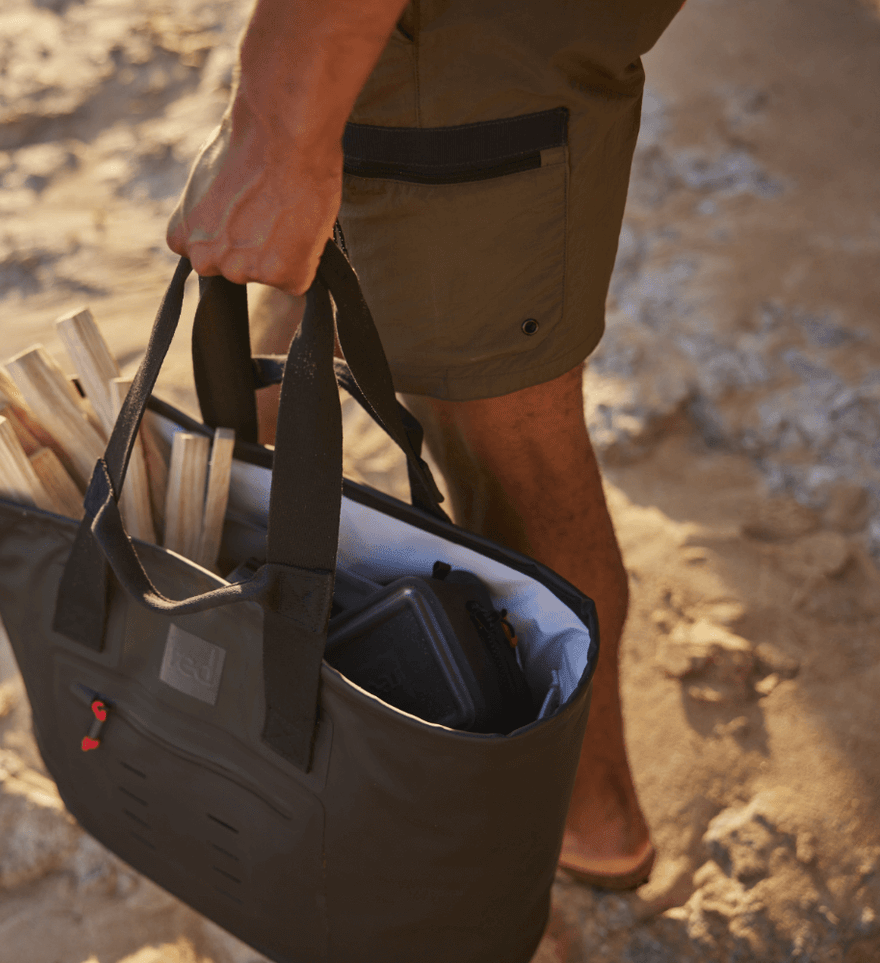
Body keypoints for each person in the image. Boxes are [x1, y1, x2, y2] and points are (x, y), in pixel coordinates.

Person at [167, 0, 684, 891]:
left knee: (504, 441)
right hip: (407, 35)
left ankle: (589, 817)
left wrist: (279, 127)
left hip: (440, 28)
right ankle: (234, 507)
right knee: (341, 227)